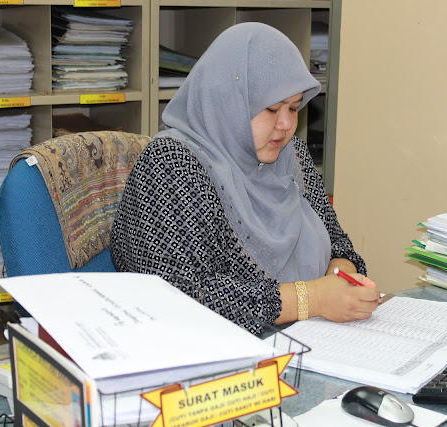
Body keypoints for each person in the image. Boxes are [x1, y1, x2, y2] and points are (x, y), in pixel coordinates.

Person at [110, 22, 380, 335]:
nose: (285, 125)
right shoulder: (173, 164)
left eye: (294, 108)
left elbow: (338, 243)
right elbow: (178, 297)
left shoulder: (292, 156)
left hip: (315, 336)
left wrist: (342, 274)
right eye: (272, 109)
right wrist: (312, 299)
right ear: (227, 101)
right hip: (214, 350)